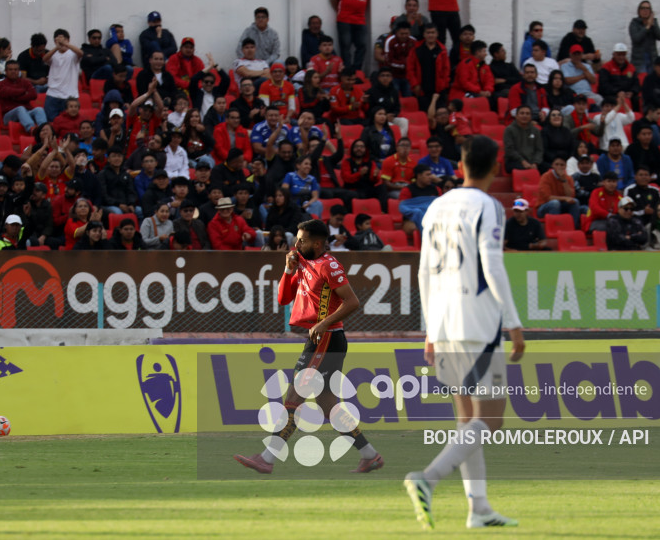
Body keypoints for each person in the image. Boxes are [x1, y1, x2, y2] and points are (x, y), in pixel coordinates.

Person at [405, 134, 524, 531]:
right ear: (496, 167)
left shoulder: (437, 205)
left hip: (444, 321)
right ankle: (427, 478)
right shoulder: (488, 205)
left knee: (467, 421)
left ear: (460, 165)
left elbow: (423, 271)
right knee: (490, 421)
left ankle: (479, 508)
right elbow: (493, 264)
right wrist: (514, 323)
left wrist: (429, 330)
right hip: (478, 321)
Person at [235, 218, 382, 473]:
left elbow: (353, 302)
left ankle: (267, 458)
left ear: (316, 243)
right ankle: (369, 455)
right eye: (296, 238)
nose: (296, 243)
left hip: (327, 339)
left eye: (301, 240)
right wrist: (288, 270)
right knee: (327, 405)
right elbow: (283, 298)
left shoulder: (329, 265)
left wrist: (324, 323)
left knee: (293, 397)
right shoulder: (303, 264)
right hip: (320, 338)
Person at [407, 24, 450, 112]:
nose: (430, 35)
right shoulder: (417, 49)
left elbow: (446, 69)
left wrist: (443, 84)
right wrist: (415, 84)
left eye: (433, 33)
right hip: (421, 89)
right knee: (423, 114)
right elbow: (410, 68)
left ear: (437, 34)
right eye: (428, 33)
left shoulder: (442, 50)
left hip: (438, 89)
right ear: (424, 34)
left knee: (439, 115)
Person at [42, 29, 83, 122]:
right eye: (58, 40)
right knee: (51, 122)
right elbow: (44, 59)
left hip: (69, 96)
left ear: (68, 40)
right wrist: (57, 47)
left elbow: (81, 53)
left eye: (63, 39)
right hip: (53, 95)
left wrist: (65, 44)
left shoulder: (73, 55)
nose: (61, 42)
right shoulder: (53, 54)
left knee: (69, 123)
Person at [0, 60, 47, 133]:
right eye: (10, 69)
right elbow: (6, 92)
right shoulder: (0, 84)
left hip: (26, 113)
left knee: (39, 109)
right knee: (20, 108)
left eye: (16, 69)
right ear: (5, 71)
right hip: (8, 116)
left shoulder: (25, 82)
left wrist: (14, 97)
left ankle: (44, 131)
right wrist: (23, 92)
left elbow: (33, 95)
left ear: (19, 71)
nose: (13, 71)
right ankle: (32, 130)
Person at [330, 0, 370, 71]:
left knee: (362, 45)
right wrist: (340, 11)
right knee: (345, 45)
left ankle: (357, 70)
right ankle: (347, 70)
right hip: (344, 20)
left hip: (360, 20)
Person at [537, 155, 581, 228]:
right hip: (544, 207)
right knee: (555, 203)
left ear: (565, 166)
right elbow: (548, 198)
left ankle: (572, 227)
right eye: (556, 164)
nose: (559, 167)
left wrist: (564, 181)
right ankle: (555, 228)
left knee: (575, 202)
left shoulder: (568, 178)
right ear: (552, 165)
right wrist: (564, 198)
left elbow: (570, 196)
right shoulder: (546, 177)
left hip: (561, 205)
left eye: (562, 165)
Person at [598, 44, 639, 111]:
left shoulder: (631, 67)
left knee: (636, 99)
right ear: (614, 55)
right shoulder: (606, 67)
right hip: (612, 95)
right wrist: (617, 92)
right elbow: (604, 86)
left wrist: (632, 92)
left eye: (623, 55)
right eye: (619, 55)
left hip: (627, 94)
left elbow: (636, 83)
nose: (621, 57)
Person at [504, 105, 543, 173]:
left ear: (531, 116)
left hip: (532, 161)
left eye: (527, 114)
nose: (525, 116)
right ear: (516, 116)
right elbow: (509, 150)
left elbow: (539, 150)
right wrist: (523, 161)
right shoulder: (509, 130)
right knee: (527, 170)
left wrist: (535, 162)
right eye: (522, 113)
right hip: (515, 161)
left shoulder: (535, 131)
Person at [629, 0, 660, 74]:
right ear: (639, 11)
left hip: (652, 59)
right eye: (643, 8)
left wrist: (653, 25)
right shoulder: (634, 23)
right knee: (641, 80)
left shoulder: (653, 22)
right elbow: (636, 39)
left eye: (648, 8)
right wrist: (647, 27)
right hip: (639, 60)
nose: (645, 11)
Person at [384, 22, 417, 98]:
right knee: (394, 97)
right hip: (393, 75)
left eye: (407, 33)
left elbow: (415, 59)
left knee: (409, 97)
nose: (404, 36)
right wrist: (405, 64)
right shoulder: (390, 41)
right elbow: (389, 60)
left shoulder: (413, 41)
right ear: (396, 33)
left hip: (408, 76)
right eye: (402, 34)